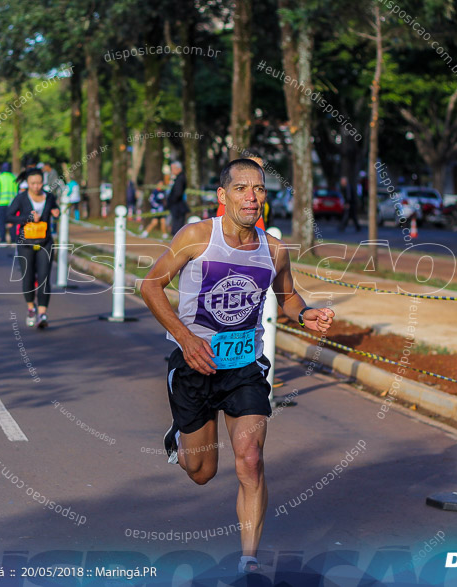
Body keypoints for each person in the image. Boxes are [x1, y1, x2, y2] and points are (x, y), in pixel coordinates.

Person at [140, 158, 335, 576]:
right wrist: (187, 339)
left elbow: (288, 295)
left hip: (245, 365)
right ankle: (180, 434)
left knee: (250, 459)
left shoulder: (273, 249)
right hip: (195, 364)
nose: (252, 197)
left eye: (259, 189)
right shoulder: (196, 237)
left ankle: (249, 564)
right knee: (202, 471)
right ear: (223, 196)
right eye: (242, 188)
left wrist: (306, 315)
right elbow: (150, 285)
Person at [6, 167, 60, 329]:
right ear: (27, 183)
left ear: (43, 182)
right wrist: (27, 218)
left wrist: (56, 212)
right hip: (25, 243)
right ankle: (31, 308)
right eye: (33, 183)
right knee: (28, 278)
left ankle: (42, 313)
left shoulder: (49, 197)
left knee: (44, 278)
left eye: (39, 183)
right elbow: (8, 216)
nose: (36, 186)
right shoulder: (21, 198)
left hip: (45, 242)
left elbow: (55, 209)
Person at [0, 163, 17, 243]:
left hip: (2, 202)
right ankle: (13, 239)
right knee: (12, 222)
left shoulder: (0, 177)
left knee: (1, 222)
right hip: (12, 203)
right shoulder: (14, 177)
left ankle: (3, 239)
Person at [166, 161, 189, 235]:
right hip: (176, 205)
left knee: (177, 226)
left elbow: (178, 193)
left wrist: (172, 201)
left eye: (173, 169)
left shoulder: (180, 178)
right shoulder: (178, 178)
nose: (172, 171)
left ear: (178, 169)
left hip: (178, 206)